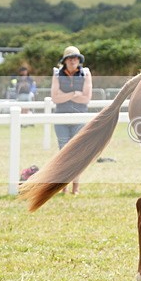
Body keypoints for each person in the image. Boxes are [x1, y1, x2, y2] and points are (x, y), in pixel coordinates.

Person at [51, 45, 92, 195]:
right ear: (65, 60)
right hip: (61, 116)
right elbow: (55, 98)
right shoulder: (57, 74)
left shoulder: (85, 73)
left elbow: (86, 98)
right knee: (63, 152)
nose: (73, 60)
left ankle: (76, 187)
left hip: (79, 116)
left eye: (75, 58)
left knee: (77, 153)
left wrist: (65, 94)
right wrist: (75, 93)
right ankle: (63, 187)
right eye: (70, 58)